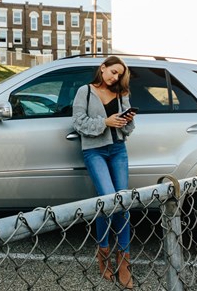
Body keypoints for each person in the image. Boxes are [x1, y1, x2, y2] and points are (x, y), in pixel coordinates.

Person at [72, 56, 135, 289]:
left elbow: (128, 129)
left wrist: (127, 119)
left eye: (119, 74)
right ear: (103, 68)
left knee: (123, 202)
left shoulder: (121, 94)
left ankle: (125, 262)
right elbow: (78, 122)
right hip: (94, 151)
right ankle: (104, 255)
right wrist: (105, 123)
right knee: (109, 201)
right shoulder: (85, 91)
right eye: (113, 72)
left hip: (118, 150)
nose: (115, 77)